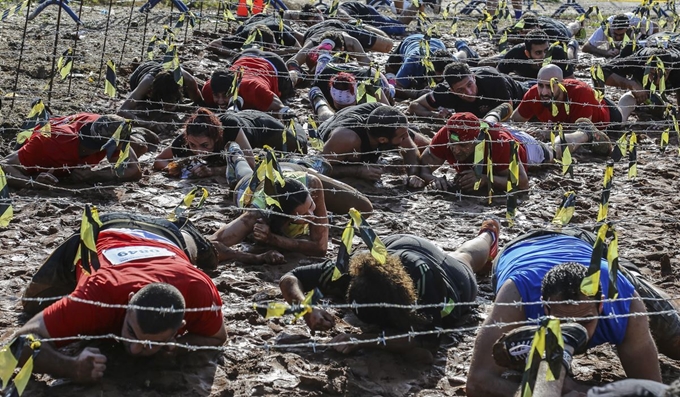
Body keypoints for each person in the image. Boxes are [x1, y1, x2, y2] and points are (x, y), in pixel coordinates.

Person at [466, 228, 680, 396]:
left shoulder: (624, 302)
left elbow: (652, 388)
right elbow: (478, 382)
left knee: (674, 339)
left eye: (586, 320)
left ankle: (632, 272)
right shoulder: (517, 296)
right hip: (519, 247)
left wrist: (568, 389)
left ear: (601, 305)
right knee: (516, 371)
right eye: (563, 321)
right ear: (545, 308)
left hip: (582, 244)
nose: (576, 332)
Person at [17, 212, 227, 383]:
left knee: (207, 256)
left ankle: (187, 229)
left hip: (167, 235)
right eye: (131, 332)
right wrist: (70, 367)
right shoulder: (98, 295)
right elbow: (19, 341)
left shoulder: (199, 293)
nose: (135, 349)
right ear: (129, 300)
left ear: (181, 325)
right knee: (32, 304)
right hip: (107, 227)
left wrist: (182, 345)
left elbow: (217, 337)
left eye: (150, 344)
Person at [278, 219, 499, 354]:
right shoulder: (355, 269)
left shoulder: (426, 286)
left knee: (465, 257)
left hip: (449, 273)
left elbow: (425, 343)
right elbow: (291, 277)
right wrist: (305, 308)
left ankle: (489, 235)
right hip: (399, 244)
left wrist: (363, 341)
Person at [209, 144, 372, 264]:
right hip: (249, 185)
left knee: (364, 208)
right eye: (305, 213)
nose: (313, 215)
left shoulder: (312, 186)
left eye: (311, 206)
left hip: (293, 173)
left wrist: (273, 239)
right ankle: (236, 156)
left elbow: (320, 248)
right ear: (284, 216)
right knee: (244, 173)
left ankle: (305, 164)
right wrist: (257, 258)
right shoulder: (256, 214)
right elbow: (211, 244)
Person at [414, 112, 612, 192]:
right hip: (495, 128)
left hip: (523, 146)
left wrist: (484, 179)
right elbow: (424, 166)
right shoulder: (449, 133)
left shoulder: (501, 145)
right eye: (452, 145)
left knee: (553, 153)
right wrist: (433, 178)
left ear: (478, 141)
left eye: (463, 147)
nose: (455, 150)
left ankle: (583, 134)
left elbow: (523, 184)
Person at [1, 113, 147, 188]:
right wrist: (32, 182)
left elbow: (134, 171)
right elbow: (4, 165)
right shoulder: (48, 143)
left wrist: (95, 175)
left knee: (141, 146)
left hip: (71, 136)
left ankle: (140, 133)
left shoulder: (110, 127)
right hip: (48, 139)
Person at [317, 103, 428, 185]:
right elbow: (318, 168)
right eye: (402, 136)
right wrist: (358, 171)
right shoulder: (346, 139)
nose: (406, 137)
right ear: (382, 140)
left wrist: (413, 174)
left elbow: (410, 149)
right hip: (335, 123)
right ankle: (318, 100)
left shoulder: (387, 120)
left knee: (426, 146)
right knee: (325, 114)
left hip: (368, 112)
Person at [512, 64, 636, 127]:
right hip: (587, 101)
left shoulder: (579, 93)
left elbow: (582, 133)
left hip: (604, 115)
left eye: (550, 86)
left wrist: (548, 134)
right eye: (541, 86)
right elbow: (514, 120)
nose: (544, 92)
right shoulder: (534, 94)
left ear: (561, 85)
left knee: (622, 117)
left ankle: (631, 96)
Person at [153, 108, 256, 178]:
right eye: (193, 145)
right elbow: (159, 160)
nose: (199, 151)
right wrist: (178, 168)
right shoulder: (187, 139)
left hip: (257, 122)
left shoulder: (230, 128)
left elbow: (250, 165)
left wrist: (214, 171)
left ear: (216, 138)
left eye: (205, 145)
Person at [407, 62, 527, 120]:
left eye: (470, 84)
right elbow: (414, 106)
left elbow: (508, 109)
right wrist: (436, 116)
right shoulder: (444, 92)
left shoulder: (492, 80)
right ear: (452, 91)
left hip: (520, 96)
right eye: (461, 90)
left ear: (473, 77)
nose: (469, 92)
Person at [287, 23, 393, 85]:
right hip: (313, 31)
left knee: (388, 45)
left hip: (338, 25)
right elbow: (292, 64)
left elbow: (368, 66)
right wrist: (295, 77)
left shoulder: (350, 42)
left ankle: (360, 25)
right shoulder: (311, 45)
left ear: (342, 49)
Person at [117, 61, 203, 134]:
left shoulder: (188, 80)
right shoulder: (147, 83)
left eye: (171, 101)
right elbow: (122, 110)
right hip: (143, 71)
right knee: (144, 108)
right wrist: (149, 124)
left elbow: (199, 102)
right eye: (164, 102)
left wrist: (181, 107)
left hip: (164, 64)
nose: (168, 105)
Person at [384, 34, 477, 99]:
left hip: (437, 43)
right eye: (437, 76)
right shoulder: (413, 61)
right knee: (389, 70)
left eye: (442, 77)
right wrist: (417, 94)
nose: (439, 79)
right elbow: (395, 87)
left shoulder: (450, 61)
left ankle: (464, 48)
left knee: (461, 58)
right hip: (411, 41)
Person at [202, 48, 294, 114]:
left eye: (226, 95)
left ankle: (296, 71)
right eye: (216, 96)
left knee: (292, 83)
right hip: (244, 55)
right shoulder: (208, 89)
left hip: (273, 63)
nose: (221, 101)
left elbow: (281, 109)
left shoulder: (254, 89)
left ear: (236, 88)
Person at [599, 46, 680, 106]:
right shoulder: (637, 61)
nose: (658, 81)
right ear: (645, 67)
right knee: (626, 50)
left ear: (670, 69)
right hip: (648, 45)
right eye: (653, 74)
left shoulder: (677, 66)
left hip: (675, 46)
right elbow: (601, 71)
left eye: (663, 75)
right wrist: (630, 84)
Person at [308, 70, 393, 122]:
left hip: (369, 74)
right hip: (336, 69)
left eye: (348, 107)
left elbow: (390, 113)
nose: (344, 111)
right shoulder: (321, 85)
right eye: (339, 107)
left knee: (390, 90)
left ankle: (391, 78)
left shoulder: (369, 86)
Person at [488, 29, 574, 80]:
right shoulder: (515, 54)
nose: (544, 56)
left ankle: (572, 45)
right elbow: (498, 75)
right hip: (514, 55)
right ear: (527, 54)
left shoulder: (557, 53)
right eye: (538, 53)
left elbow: (571, 81)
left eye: (546, 51)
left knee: (571, 57)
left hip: (567, 53)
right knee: (484, 63)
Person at [496, 13, 580, 59]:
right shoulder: (518, 28)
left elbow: (569, 42)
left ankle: (578, 22)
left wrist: (571, 56)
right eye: (524, 33)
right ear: (520, 31)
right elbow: (499, 34)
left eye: (532, 31)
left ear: (538, 27)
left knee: (572, 28)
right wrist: (514, 39)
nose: (531, 35)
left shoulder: (549, 31)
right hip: (540, 19)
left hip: (559, 26)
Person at [582, 12, 658, 58]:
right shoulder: (606, 27)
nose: (618, 37)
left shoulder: (638, 21)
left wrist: (648, 47)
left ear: (629, 28)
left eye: (621, 35)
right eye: (615, 34)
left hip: (636, 39)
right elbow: (586, 47)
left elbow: (655, 27)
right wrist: (605, 52)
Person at [207, 21, 301, 57]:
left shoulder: (278, 31)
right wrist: (236, 54)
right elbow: (213, 44)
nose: (273, 48)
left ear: (274, 39)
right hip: (249, 23)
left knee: (297, 34)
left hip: (272, 21)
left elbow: (299, 49)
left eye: (273, 45)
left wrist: (279, 52)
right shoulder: (243, 37)